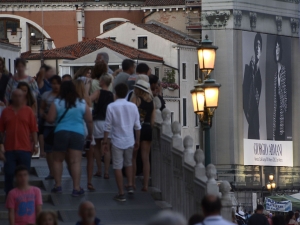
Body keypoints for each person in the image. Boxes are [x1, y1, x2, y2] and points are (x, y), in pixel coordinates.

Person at [46, 81, 93, 197]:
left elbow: (50, 119)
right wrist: (90, 135)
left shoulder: (57, 102)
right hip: (77, 133)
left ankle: (58, 186)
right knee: (75, 161)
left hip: (61, 132)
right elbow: (89, 120)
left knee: (57, 160)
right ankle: (76, 188)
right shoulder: (82, 102)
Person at [103, 83, 141, 201]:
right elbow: (137, 126)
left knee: (117, 166)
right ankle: (130, 184)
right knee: (129, 163)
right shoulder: (133, 106)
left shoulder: (111, 107)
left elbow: (107, 127)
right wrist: (137, 140)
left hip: (116, 140)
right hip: (130, 139)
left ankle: (121, 193)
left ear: (116, 93)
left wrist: (105, 142)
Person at [0, 89, 39, 195]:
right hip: (9, 148)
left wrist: (36, 144)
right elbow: (1, 131)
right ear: (11, 97)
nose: (17, 98)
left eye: (20, 96)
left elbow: (34, 129)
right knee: (9, 172)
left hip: (25, 148)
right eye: (15, 96)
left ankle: (23, 195)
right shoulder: (5, 112)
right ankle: (9, 195)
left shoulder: (28, 111)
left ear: (24, 98)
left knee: (24, 174)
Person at [131, 79, 155, 191]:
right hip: (147, 128)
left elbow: (131, 115)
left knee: (134, 157)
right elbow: (153, 121)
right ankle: (145, 186)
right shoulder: (152, 101)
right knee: (146, 158)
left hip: (137, 129)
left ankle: (133, 183)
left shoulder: (136, 99)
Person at [90, 75, 114, 179]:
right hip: (108, 122)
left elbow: (89, 99)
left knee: (97, 147)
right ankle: (107, 171)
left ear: (103, 82)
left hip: (98, 121)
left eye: (100, 80)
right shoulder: (112, 95)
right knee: (107, 147)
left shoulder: (98, 92)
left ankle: (99, 169)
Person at [73, 79, 95, 191]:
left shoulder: (71, 101)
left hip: (77, 130)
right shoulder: (88, 100)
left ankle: (76, 182)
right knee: (90, 158)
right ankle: (89, 182)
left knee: (76, 160)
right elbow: (90, 119)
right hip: (88, 130)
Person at [40, 75, 62, 180]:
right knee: (49, 150)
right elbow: (41, 109)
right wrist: (44, 115)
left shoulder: (64, 96)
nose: (55, 86)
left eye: (57, 83)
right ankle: (51, 172)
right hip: (48, 126)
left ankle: (58, 171)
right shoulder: (46, 95)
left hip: (60, 126)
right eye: (53, 83)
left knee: (60, 150)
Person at [243, 33, 262, 139]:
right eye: (256, 46)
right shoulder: (250, 69)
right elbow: (245, 91)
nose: (257, 48)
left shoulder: (259, 72)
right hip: (251, 118)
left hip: (256, 120)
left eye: (259, 46)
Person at [272, 35, 288, 140]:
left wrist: (284, 105)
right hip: (276, 108)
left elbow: (284, 91)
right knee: (275, 132)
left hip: (281, 108)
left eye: (279, 47)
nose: (277, 50)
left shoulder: (283, 70)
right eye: (276, 47)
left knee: (281, 132)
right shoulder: (274, 73)